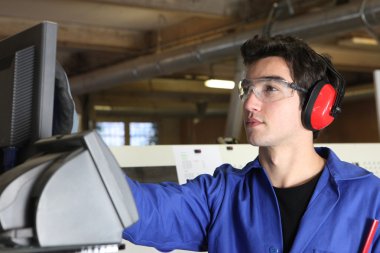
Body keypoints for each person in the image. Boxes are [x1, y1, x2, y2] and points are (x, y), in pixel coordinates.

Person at [122, 35, 380, 253]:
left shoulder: (371, 199)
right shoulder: (221, 196)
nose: (248, 104)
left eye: (270, 88)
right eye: (247, 89)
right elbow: (143, 211)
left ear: (316, 105)